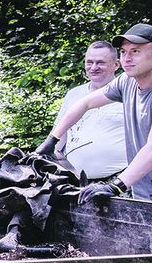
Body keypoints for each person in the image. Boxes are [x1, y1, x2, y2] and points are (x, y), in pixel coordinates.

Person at [37, 23, 152, 206]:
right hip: (142, 194)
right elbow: (85, 102)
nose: (127, 58)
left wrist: (114, 187)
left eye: (135, 51)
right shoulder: (127, 81)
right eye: (124, 52)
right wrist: (52, 140)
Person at [54, 41, 127, 181]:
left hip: (120, 182)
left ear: (116, 65)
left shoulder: (129, 93)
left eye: (100, 62)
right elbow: (57, 143)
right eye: (89, 62)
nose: (94, 67)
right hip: (75, 181)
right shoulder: (73, 94)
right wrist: (67, 170)